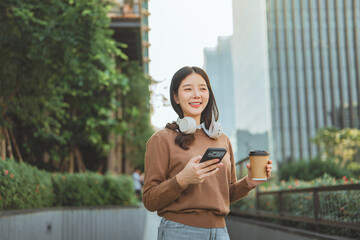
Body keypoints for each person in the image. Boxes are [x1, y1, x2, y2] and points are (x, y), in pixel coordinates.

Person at [143, 66, 272, 239]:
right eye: (188, 89)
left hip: (221, 232)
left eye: (202, 89)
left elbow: (225, 194)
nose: (196, 94)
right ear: (176, 97)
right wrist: (182, 179)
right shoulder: (161, 139)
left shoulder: (222, 140)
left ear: (208, 94)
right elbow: (150, 200)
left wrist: (249, 182)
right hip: (180, 232)